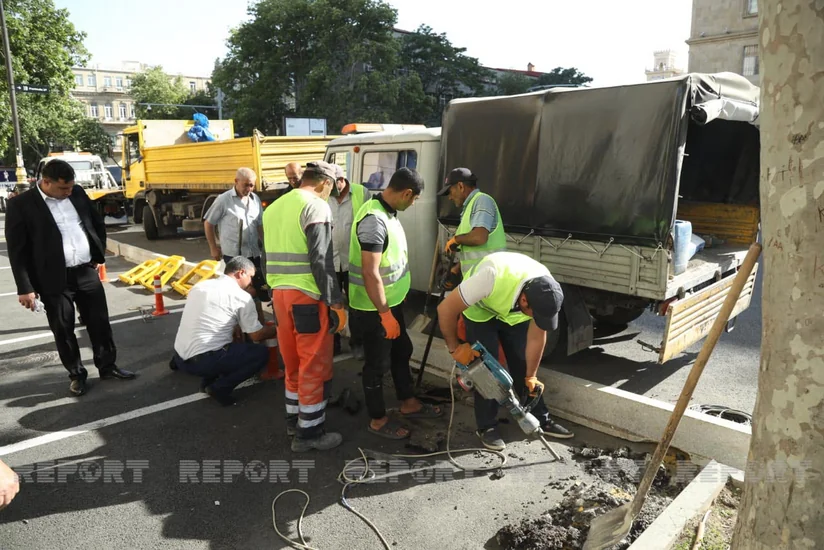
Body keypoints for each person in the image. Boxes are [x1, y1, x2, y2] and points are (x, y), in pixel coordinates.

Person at [5, 159, 135, 396]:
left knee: (100, 323)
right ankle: (76, 374)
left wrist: (98, 253)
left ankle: (108, 366)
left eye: (70, 187)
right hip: (52, 278)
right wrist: (25, 288)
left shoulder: (76, 193)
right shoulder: (21, 205)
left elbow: (95, 223)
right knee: (63, 328)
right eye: (63, 188)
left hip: (86, 270)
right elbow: (17, 251)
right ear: (46, 182)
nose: (68, 192)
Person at [437, 251, 573, 451]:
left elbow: (537, 337)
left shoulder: (547, 292)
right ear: (525, 301)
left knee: (522, 362)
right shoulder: (490, 277)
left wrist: (531, 376)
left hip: (513, 315)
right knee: (486, 371)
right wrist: (455, 348)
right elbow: (445, 309)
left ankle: (540, 418)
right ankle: (487, 426)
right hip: (481, 309)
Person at [349, 168, 442, 440]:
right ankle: (377, 419)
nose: (413, 205)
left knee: (402, 350)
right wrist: (385, 315)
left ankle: (408, 402)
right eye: (413, 200)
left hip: (391, 302)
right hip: (373, 308)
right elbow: (370, 272)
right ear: (406, 193)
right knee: (376, 365)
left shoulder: (388, 213)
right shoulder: (373, 220)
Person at [264, 161, 347, 452]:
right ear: (325, 182)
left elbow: (266, 255)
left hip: (280, 296)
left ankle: (294, 420)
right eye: (332, 189)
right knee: (313, 364)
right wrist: (336, 302)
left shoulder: (274, 207)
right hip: (307, 299)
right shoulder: (315, 206)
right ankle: (309, 434)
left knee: (294, 363)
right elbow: (321, 261)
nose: (330, 195)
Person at [170, 257, 275, 405]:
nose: (251, 282)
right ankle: (220, 387)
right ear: (241, 273)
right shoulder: (241, 297)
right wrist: (280, 327)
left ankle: (207, 380)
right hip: (204, 362)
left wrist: (235, 324)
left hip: (180, 357)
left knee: (219, 342)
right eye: (251, 277)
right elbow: (256, 335)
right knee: (260, 353)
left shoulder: (201, 286)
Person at [203, 167, 268, 302]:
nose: (249, 189)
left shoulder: (255, 199)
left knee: (255, 289)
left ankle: (257, 321)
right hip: (233, 255)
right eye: (246, 185)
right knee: (238, 292)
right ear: (236, 181)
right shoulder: (224, 200)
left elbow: (259, 224)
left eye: (252, 185)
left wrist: (266, 245)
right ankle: (239, 321)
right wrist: (213, 248)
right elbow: (209, 223)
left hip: (253, 253)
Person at [328, 163, 370, 358]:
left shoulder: (362, 193)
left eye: (334, 184)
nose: (332, 189)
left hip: (354, 261)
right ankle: (334, 344)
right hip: (331, 261)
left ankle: (357, 343)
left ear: (342, 180)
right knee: (333, 304)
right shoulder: (323, 196)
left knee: (356, 305)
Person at [437, 167, 506, 286]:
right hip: (478, 282)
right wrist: (456, 270)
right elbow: (474, 251)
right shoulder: (470, 207)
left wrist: (456, 240)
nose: (450, 197)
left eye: (450, 192)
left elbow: (479, 238)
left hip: (489, 281)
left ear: (460, 186)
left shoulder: (482, 201)